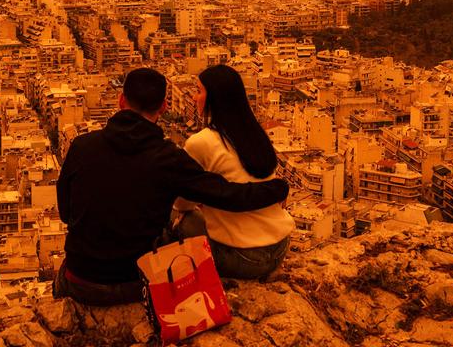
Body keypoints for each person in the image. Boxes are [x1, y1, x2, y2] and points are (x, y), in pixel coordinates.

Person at [55, 67, 290, 306]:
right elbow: (228, 195)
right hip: (138, 283)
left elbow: (65, 213)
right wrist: (277, 189)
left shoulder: (82, 146)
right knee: (172, 218)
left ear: (121, 100)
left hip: (81, 282)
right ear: (164, 107)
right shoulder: (169, 159)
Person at [175, 64, 294, 280]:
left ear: (215, 98)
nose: (194, 97)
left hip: (244, 259)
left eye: (200, 91)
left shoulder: (200, 142)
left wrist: (203, 200)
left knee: (176, 217)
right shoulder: (256, 135)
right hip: (279, 249)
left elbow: (183, 203)